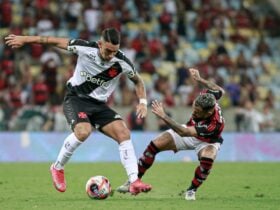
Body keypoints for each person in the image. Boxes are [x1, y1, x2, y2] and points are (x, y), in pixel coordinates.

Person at [5, 28, 152, 195]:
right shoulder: (85, 48)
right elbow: (51, 40)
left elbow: (138, 81)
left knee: (124, 133)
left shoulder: (122, 62)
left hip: (99, 106)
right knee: (83, 131)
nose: (111, 55)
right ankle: (57, 167)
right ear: (100, 44)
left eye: (115, 51)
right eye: (108, 50)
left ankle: (134, 181)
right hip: (76, 98)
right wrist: (25, 39)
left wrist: (142, 102)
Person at [117, 68, 225, 200]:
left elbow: (184, 132)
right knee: (155, 144)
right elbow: (220, 90)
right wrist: (200, 79)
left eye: (197, 111)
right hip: (192, 129)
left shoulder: (214, 124)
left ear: (208, 113)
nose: (194, 112)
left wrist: (163, 116)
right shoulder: (207, 97)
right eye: (194, 107)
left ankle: (191, 190)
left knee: (208, 159)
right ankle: (134, 181)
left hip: (208, 141)